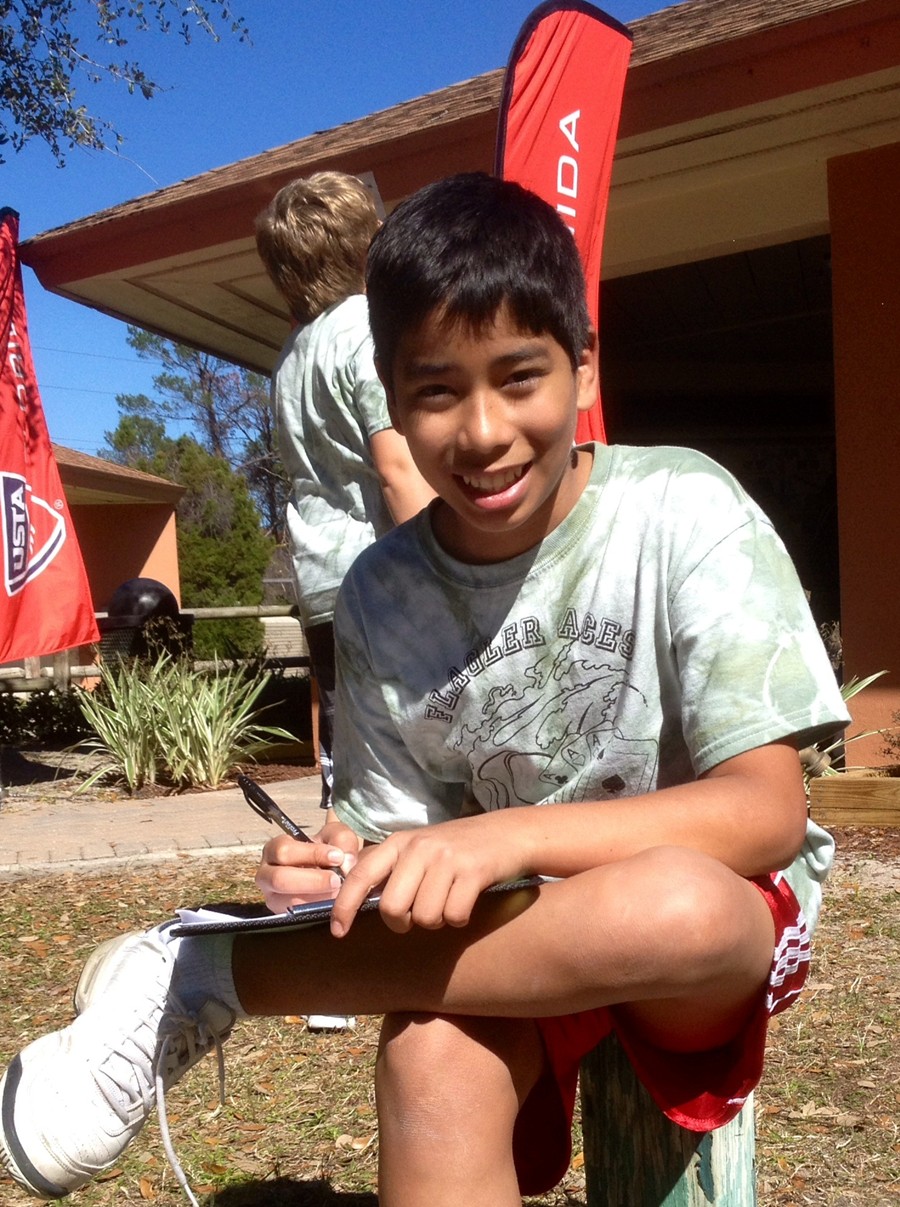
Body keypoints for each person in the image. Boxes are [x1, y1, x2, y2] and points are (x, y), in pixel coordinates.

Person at [0, 173, 849, 1207]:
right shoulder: (379, 592)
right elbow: (397, 836)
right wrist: (339, 868)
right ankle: (210, 970)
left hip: (703, 945)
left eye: (520, 376)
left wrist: (502, 838)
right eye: (438, 391)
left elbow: (766, 813)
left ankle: (207, 969)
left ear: (584, 366)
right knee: (427, 1059)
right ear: (392, 403)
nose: (483, 431)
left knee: (683, 906)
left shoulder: (683, 507)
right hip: (503, 935)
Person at [254, 171, 433, 812]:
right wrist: (442, 567)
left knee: (352, 748)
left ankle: (346, 855)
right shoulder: (365, 328)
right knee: (417, 737)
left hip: (322, 579)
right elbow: (396, 468)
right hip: (383, 571)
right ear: (366, 247)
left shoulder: (291, 356)